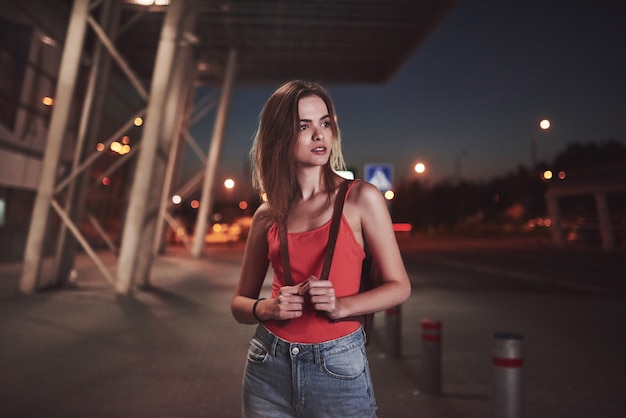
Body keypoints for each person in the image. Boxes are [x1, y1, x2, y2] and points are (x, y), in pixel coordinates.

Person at [231, 80, 411, 418]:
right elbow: (239, 305)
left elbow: (400, 286)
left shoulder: (361, 198)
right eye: (304, 126)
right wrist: (268, 308)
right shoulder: (266, 215)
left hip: (338, 366)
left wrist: (342, 305)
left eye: (325, 122)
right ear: (280, 136)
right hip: (267, 365)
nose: (320, 135)